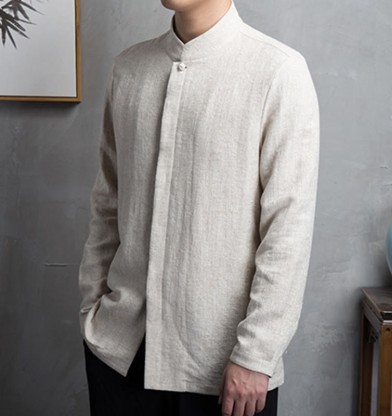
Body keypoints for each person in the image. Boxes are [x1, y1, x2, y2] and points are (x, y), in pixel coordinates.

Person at [78, 0, 320, 415]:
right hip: (118, 354)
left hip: (227, 370)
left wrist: (256, 355)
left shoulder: (278, 72)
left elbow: (288, 230)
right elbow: (108, 203)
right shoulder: (128, 69)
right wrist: (93, 308)